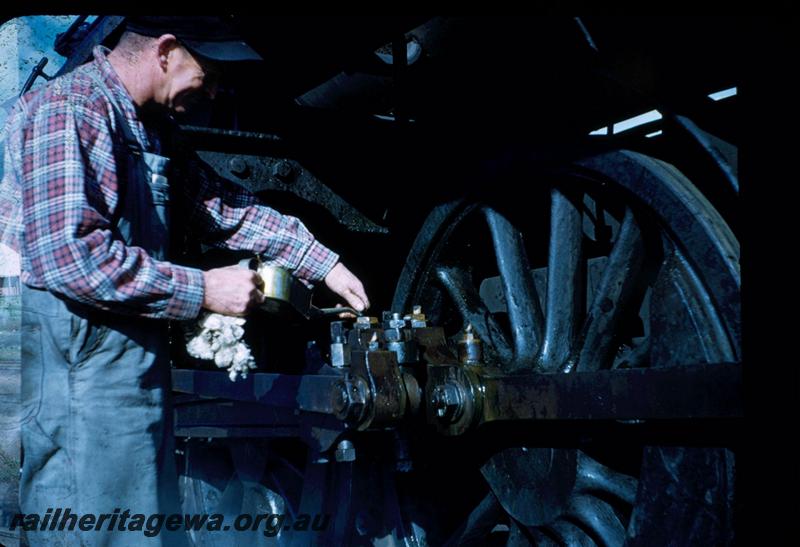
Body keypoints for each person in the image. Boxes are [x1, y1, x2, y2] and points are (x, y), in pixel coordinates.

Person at [0, 16, 369, 546]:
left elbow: (221, 208)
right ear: (167, 51)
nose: (216, 91)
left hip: (124, 372)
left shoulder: (146, 129)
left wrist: (322, 262)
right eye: (211, 72)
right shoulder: (70, 109)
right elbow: (70, 258)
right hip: (76, 379)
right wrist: (203, 290)